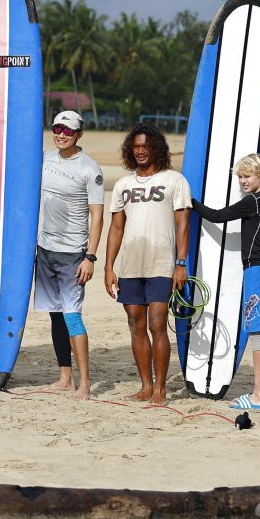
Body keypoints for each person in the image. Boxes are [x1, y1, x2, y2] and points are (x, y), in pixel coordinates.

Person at [191, 153, 260, 411]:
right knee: (257, 330)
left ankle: (259, 395)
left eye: (247, 177)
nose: (243, 181)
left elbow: (216, 216)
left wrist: (190, 202)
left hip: (258, 270)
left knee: (256, 331)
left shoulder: (255, 201)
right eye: (240, 177)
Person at [103, 124, 190, 406]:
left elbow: (183, 224)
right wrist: (108, 267)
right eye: (135, 146)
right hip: (130, 266)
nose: (139, 151)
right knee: (135, 325)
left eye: (145, 146)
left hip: (162, 263)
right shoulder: (123, 185)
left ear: (156, 148)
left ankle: (161, 390)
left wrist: (180, 263)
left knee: (157, 325)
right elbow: (116, 228)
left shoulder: (174, 180)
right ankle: (145, 386)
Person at [34, 111, 104, 400]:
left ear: (79, 134)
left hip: (73, 254)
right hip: (45, 249)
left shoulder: (90, 169)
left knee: (73, 317)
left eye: (68, 130)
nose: (61, 134)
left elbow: (97, 217)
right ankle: (65, 377)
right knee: (55, 316)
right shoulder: (45, 159)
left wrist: (90, 257)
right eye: (57, 129)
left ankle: (85, 383)